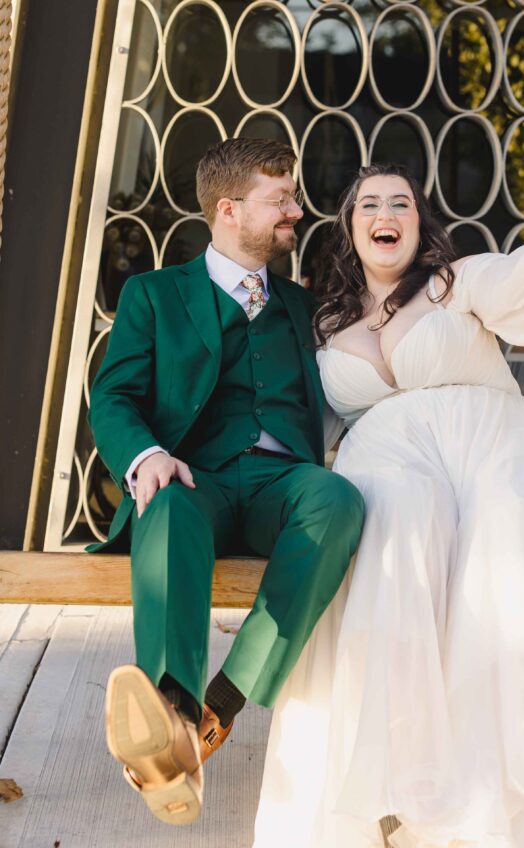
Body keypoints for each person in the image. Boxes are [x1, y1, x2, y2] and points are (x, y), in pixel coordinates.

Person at [253, 162, 524, 848]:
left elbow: (522, 283)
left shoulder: (456, 283)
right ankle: (412, 776)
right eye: (369, 204)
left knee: (505, 547)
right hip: (389, 462)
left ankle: (487, 792)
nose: (385, 212)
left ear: (418, 226)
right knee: (396, 533)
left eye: (401, 202)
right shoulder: (322, 317)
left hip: (490, 446)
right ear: (349, 227)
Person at [86, 137, 364, 825]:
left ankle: (220, 703)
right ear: (230, 210)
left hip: (281, 486)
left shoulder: (300, 306)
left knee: (336, 499)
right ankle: (171, 712)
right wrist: (145, 453)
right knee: (166, 503)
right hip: (194, 478)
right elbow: (113, 396)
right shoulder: (154, 294)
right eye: (280, 201)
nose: (296, 212)